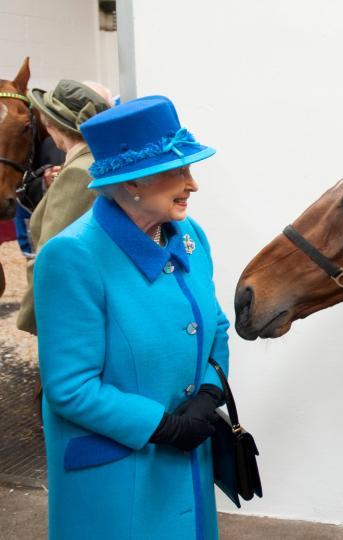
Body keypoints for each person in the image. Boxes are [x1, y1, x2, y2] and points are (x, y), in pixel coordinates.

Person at [33, 95, 228, 539]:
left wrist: (208, 395)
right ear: (134, 183)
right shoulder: (72, 256)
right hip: (117, 474)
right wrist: (163, 425)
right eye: (179, 171)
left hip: (186, 457)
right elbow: (70, 387)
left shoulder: (190, 235)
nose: (192, 184)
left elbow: (214, 325)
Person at [16, 79, 111, 334]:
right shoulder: (89, 162)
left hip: (70, 310)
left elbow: (51, 254)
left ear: (51, 124)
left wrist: (29, 318)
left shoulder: (80, 171)